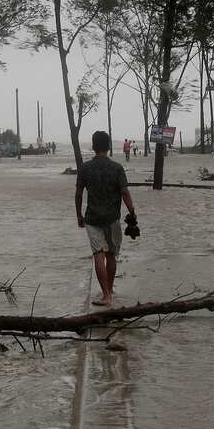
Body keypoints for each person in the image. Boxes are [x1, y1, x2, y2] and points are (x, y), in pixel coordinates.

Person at [75, 130, 137, 307]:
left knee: (98, 255)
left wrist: (78, 214)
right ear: (108, 146)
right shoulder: (117, 168)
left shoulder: (85, 168)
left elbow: (78, 194)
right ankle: (110, 290)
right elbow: (125, 192)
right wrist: (132, 211)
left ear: (93, 147)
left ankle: (105, 295)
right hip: (112, 219)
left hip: (92, 219)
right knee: (111, 255)